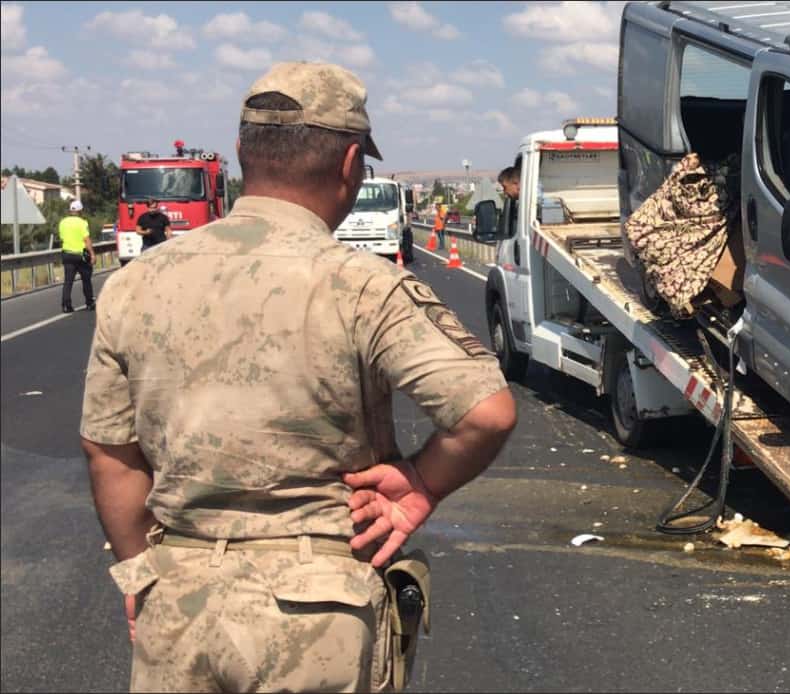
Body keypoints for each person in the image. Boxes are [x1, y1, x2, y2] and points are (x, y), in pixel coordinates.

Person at [81, 61, 517, 692]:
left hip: (179, 605)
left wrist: (140, 571)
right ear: (349, 165)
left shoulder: (132, 285)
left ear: (240, 154)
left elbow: (110, 455)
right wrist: (420, 483)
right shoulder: (366, 285)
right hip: (321, 614)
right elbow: (487, 411)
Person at [58, 199, 95, 313]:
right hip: (80, 255)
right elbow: (86, 239)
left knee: (68, 281)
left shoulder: (62, 222)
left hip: (67, 254)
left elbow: (62, 238)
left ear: (70, 210)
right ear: (80, 210)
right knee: (86, 279)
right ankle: (89, 302)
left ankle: (66, 305)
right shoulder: (82, 222)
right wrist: (92, 254)